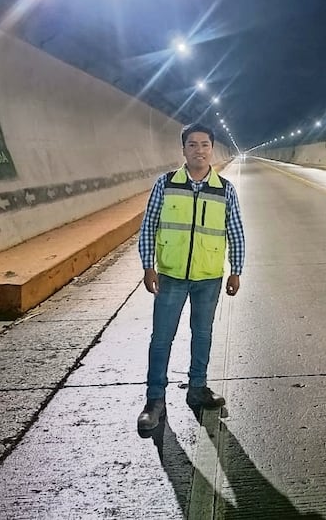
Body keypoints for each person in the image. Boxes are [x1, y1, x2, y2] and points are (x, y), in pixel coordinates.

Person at [137, 122, 245, 431]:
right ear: (183, 149)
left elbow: (236, 232)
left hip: (208, 277)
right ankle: (155, 400)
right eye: (192, 144)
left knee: (203, 334)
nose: (199, 150)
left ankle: (197, 388)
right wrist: (148, 266)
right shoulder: (166, 183)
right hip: (171, 275)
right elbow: (149, 226)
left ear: (212, 149)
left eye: (204, 145)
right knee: (162, 338)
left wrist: (236, 270)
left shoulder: (225, 189)